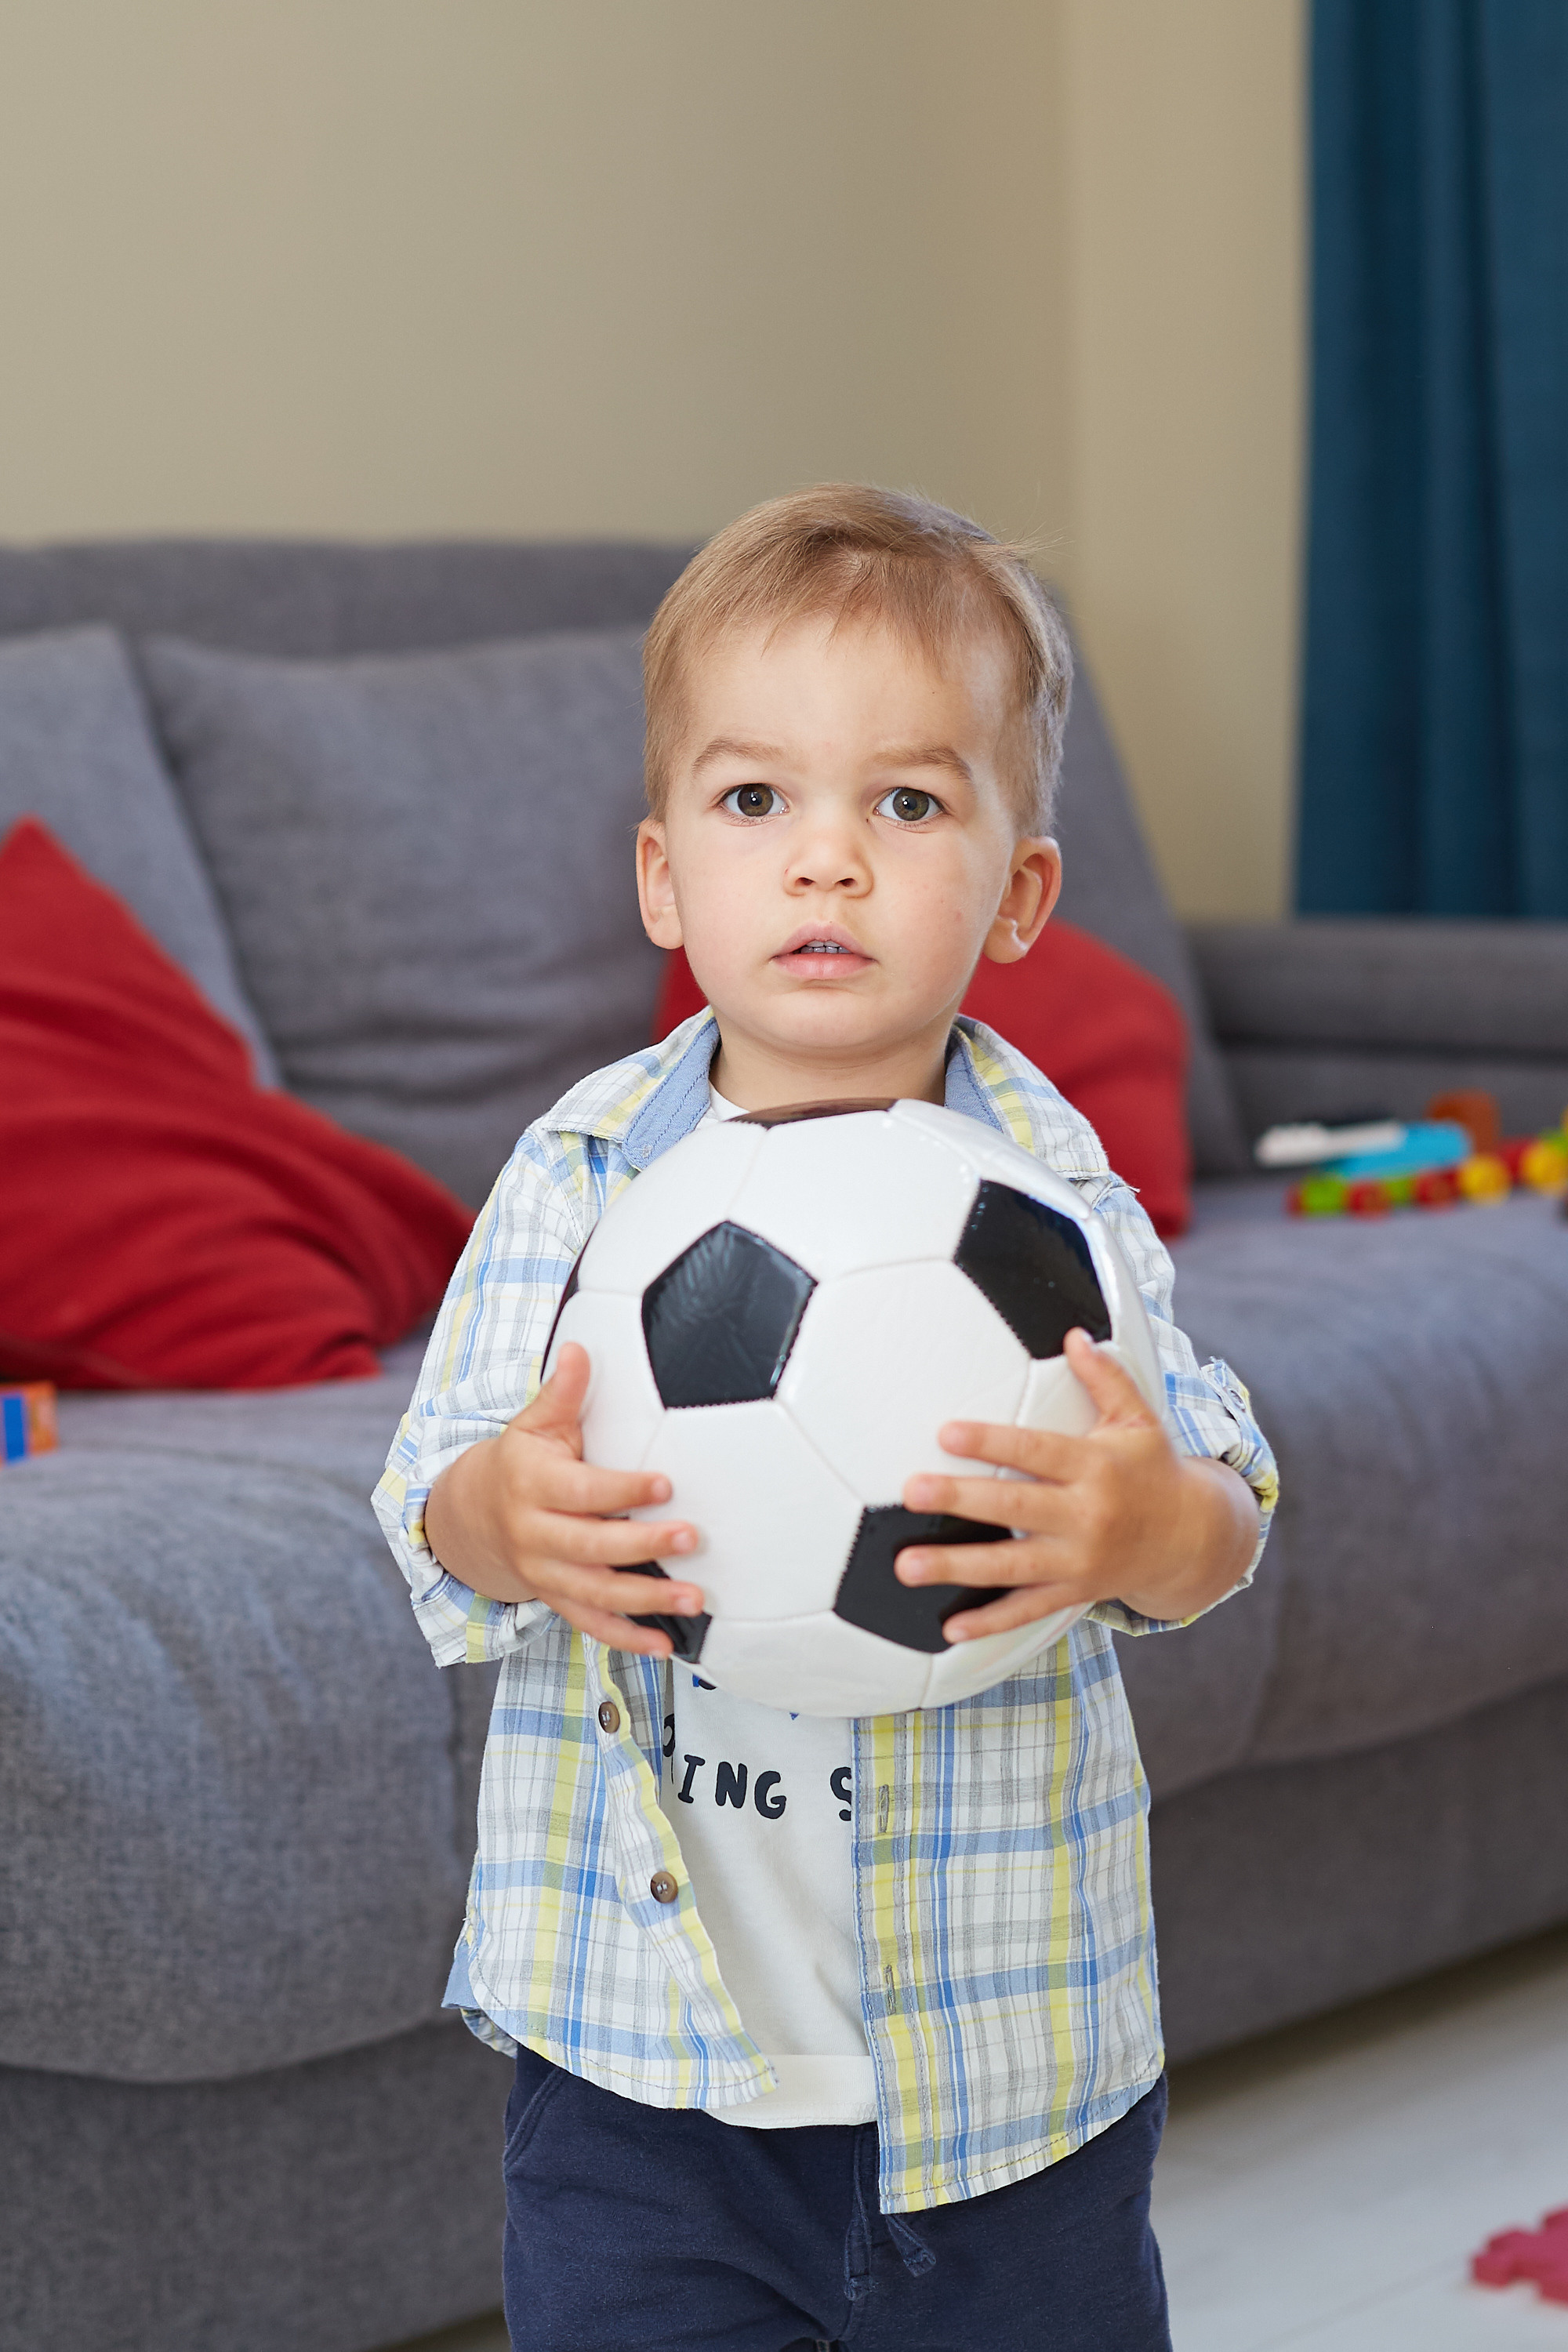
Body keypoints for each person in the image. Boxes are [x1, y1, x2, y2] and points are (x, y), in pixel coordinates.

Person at [374, 485, 1278, 2352]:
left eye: (909, 802)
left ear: (1020, 889)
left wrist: (1148, 1527)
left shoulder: (1051, 1204)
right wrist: (502, 1516)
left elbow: (1225, 1499)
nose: (825, 864)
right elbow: (430, 1495)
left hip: (1006, 2088)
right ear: (660, 874)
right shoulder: (581, 1179)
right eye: (754, 800)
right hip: (638, 2078)